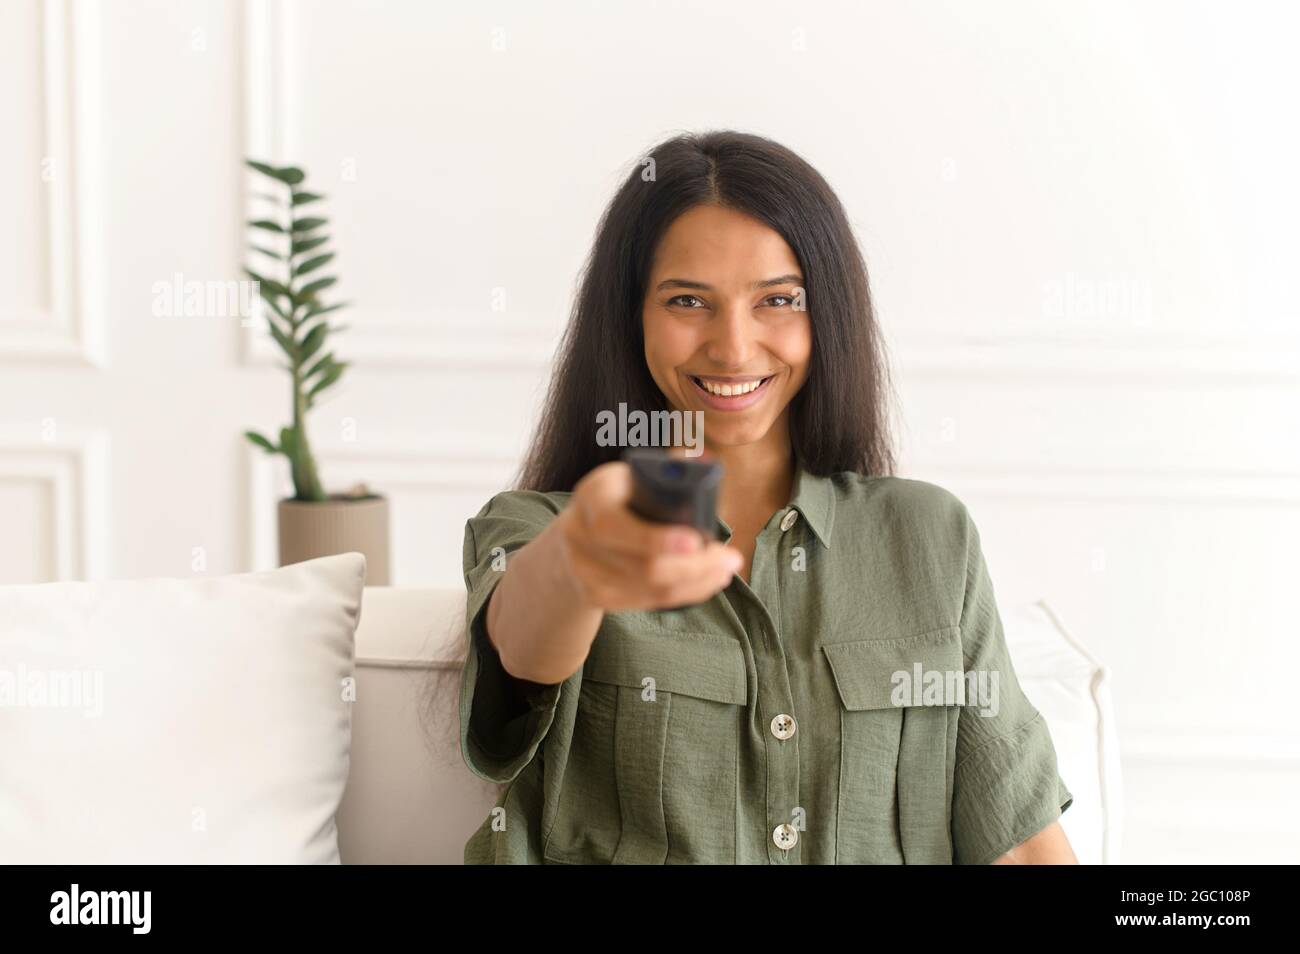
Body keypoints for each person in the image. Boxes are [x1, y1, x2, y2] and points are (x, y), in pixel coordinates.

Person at [457, 129, 1076, 864]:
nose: (735, 347)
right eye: (688, 300)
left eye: (778, 300)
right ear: (632, 317)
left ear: (828, 317)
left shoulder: (928, 536)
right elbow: (524, 641)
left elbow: (1025, 839)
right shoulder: (537, 527)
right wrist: (581, 561)